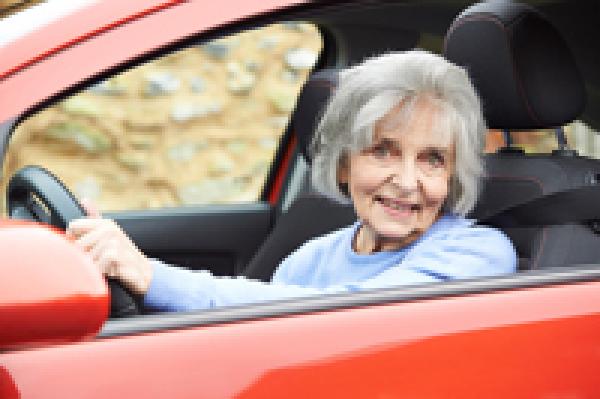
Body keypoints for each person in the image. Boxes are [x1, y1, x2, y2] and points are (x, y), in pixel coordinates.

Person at [67, 50, 517, 312]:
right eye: (383, 150)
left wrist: (148, 275)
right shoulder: (308, 261)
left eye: (432, 159)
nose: (406, 180)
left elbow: (346, 313)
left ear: (453, 176)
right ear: (344, 165)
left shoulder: (478, 255)